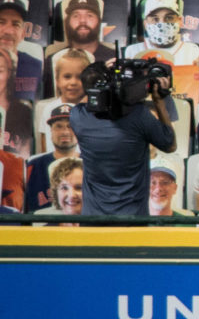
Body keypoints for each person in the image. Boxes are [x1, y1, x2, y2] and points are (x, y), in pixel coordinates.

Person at [70, 59, 175, 215]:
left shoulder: (78, 117)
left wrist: (101, 74)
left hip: (92, 220)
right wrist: (158, 101)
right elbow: (170, 144)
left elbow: (89, 94)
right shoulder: (139, 115)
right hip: (132, 221)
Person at [25, 103, 78, 212]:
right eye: (58, 126)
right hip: (40, 227)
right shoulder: (33, 165)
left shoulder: (90, 165)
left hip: (79, 228)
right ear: (51, 130)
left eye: (71, 126)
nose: (65, 132)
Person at [33, 156, 83, 224]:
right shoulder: (43, 230)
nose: (71, 195)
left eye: (79, 188)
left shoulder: (100, 229)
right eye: (64, 188)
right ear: (55, 193)